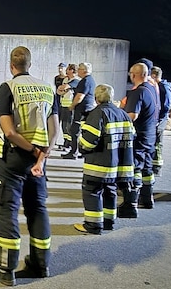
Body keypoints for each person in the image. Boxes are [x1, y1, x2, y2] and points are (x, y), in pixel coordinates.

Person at [0, 46, 58, 286]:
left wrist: (32, 150)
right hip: (38, 161)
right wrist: (41, 156)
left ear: (11, 65)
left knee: (7, 210)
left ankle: (5, 268)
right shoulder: (48, 89)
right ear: (30, 65)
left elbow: (9, 131)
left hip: (13, 158)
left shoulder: (8, 88)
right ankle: (41, 264)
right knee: (37, 208)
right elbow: (55, 130)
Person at [74, 84, 135, 234]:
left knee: (92, 192)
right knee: (110, 191)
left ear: (96, 98)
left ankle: (93, 225)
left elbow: (88, 142)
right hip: (118, 167)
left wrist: (80, 145)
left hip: (98, 165)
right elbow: (132, 136)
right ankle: (109, 222)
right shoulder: (123, 114)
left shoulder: (97, 114)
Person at [120, 62, 159, 215]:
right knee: (147, 169)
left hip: (139, 136)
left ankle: (131, 204)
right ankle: (147, 199)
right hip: (150, 136)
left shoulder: (137, 92)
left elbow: (132, 115)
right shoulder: (151, 88)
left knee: (135, 168)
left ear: (134, 75)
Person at [62, 62, 96, 159]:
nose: (78, 71)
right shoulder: (90, 80)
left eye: (79, 69)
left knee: (75, 130)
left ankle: (74, 152)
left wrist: (72, 106)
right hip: (87, 108)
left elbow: (80, 96)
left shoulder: (85, 81)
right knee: (82, 131)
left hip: (82, 109)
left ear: (84, 71)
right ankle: (81, 151)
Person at [150, 66, 171, 175]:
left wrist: (159, 120)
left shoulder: (163, 88)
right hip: (159, 119)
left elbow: (165, 105)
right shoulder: (161, 86)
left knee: (157, 143)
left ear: (154, 75)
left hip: (159, 121)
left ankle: (156, 167)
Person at [56, 64, 79, 150]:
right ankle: (65, 141)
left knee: (69, 125)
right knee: (64, 125)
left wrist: (63, 89)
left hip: (70, 106)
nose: (66, 71)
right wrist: (62, 90)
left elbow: (64, 87)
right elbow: (59, 90)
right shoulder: (65, 79)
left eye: (68, 69)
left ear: (73, 70)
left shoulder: (76, 80)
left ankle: (70, 143)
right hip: (63, 105)